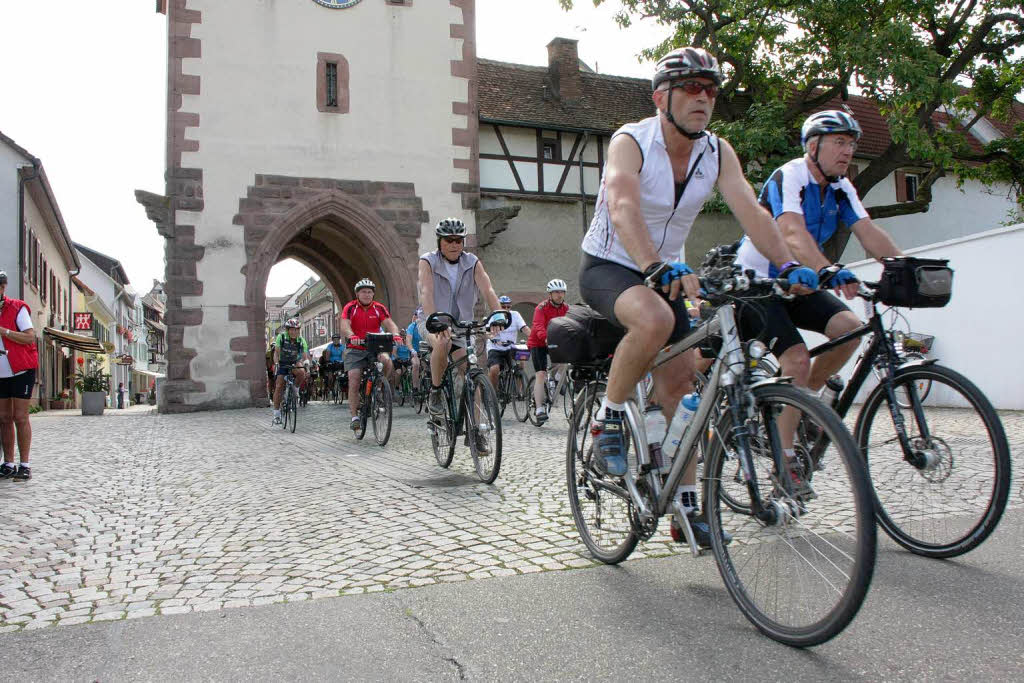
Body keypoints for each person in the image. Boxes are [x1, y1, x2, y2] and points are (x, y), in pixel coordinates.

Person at [578, 47, 818, 546]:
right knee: (653, 321)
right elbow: (622, 205)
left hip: (670, 271)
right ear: (660, 97)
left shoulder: (717, 151)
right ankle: (608, 420)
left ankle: (688, 511)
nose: (703, 98)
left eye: (711, 90)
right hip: (612, 264)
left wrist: (790, 265)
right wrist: (651, 264)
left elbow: (752, 211)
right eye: (691, 87)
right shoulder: (632, 141)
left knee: (682, 392)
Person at [734, 109, 903, 490]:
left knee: (850, 329)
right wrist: (829, 268)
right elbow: (791, 232)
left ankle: (801, 402)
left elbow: (867, 230)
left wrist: (904, 268)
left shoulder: (842, 187)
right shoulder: (791, 175)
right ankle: (785, 460)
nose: (848, 151)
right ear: (813, 146)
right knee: (794, 358)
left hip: (801, 283)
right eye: (840, 142)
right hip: (759, 283)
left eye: (852, 144)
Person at [417, 218, 504, 453]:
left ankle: (475, 433)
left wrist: (498, 314)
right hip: (431, 320)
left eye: (459, 240)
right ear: (440, 242)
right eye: (449, 240)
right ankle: (436, 393)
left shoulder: (472, 262)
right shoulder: (428, 261)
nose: (455, 244)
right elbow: (426, 292)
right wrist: (434, 319)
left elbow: (488, 289)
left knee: (472, 373)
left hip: (461, 323)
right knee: (442, 343)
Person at [339, 279, 405, 431]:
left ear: (373, 294)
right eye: (363, 292)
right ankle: (355, 416)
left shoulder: (379, 308)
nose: (367, 294)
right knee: (354, 378)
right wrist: (351, 336)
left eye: (369, 292)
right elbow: (344, 325)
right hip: (355, 347)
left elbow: (389, 323)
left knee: (387, 361)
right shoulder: (351, 307)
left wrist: (395, 334)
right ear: (357, 294)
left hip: (375, 345)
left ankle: (380, 386)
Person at [0, 271, 38, 482]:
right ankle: (8, 463)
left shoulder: (17, 308)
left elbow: (29, 337)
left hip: (21, 370)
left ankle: (25, 465)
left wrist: (4, 332)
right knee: (4, 418)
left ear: (2, 288)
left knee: (20, 417)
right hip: (1, 373)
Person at [526, 281, 568, 424]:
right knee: (541, 374)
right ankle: (539, 409)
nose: (559, 295)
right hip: (538, 343)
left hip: (555, 342)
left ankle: (556, 379)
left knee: (565, 362)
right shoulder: (541, 308)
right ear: (550, 294)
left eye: (562, 292)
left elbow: (569, 324)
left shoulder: (566, 308)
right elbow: (538, 325)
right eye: (556, 292)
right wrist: (546, 338)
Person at [486, 295, 530, 396]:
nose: (506, 309)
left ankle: (518, 392)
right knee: (494, 369)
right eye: (503, 306)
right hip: (495, 347)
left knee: (521, 363)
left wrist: (535, 339)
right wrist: (492, 337)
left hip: (511, 347)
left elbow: (525, 329)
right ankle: (493, 393)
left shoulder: (515, 315)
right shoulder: (494, 315)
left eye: (508, 307)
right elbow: (486, 333)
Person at [272, 318, 310, 423]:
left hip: (294, 362)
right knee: (279, 386)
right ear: (288, 330)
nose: (295, 332)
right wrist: (276, 364)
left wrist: (306, 363)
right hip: (283, 362)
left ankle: (295, 389)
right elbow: (277, 353)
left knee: (302, 372)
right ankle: (276, 414)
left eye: (297, 330)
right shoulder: (282, 337)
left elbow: (304, 355)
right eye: (292, 330)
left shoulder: (301, 340)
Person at [406, 309, 424, 394]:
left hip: (425, 350)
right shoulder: (412, 326)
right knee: (416, 364)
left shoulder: (427, 325)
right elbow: (408, 340)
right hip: (414, 351)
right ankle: (415, 388)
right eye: (417, 315)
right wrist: (412, 350)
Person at [324, 333, 345, 398]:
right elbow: (328, 353)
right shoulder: (330, 346)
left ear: (339, 340)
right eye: (334, 339)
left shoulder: (342, 346)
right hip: (331, 363)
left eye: (337, 339)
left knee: (343, 376)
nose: (336, 341)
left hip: (339, 363)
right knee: (330, 378)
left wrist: (343, 361)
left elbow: (343, 355)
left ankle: (341, 386)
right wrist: (328, 361)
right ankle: (331, 389)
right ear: (332, 340)